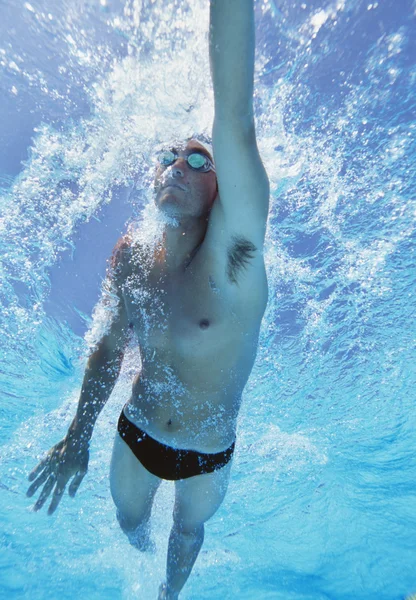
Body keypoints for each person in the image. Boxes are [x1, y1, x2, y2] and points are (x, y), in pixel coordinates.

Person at [26, 1, 269, 598]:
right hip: (136, 430)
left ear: (223, 185)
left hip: (207, 452)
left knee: (187, 529)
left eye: (197, 159)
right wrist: (77, 438)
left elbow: (234, 118)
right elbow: (108, 346)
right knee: (131, 522)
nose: (177, 165)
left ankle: (168, 595)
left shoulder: (235, 257)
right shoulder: (131, 255)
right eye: (167, 156)